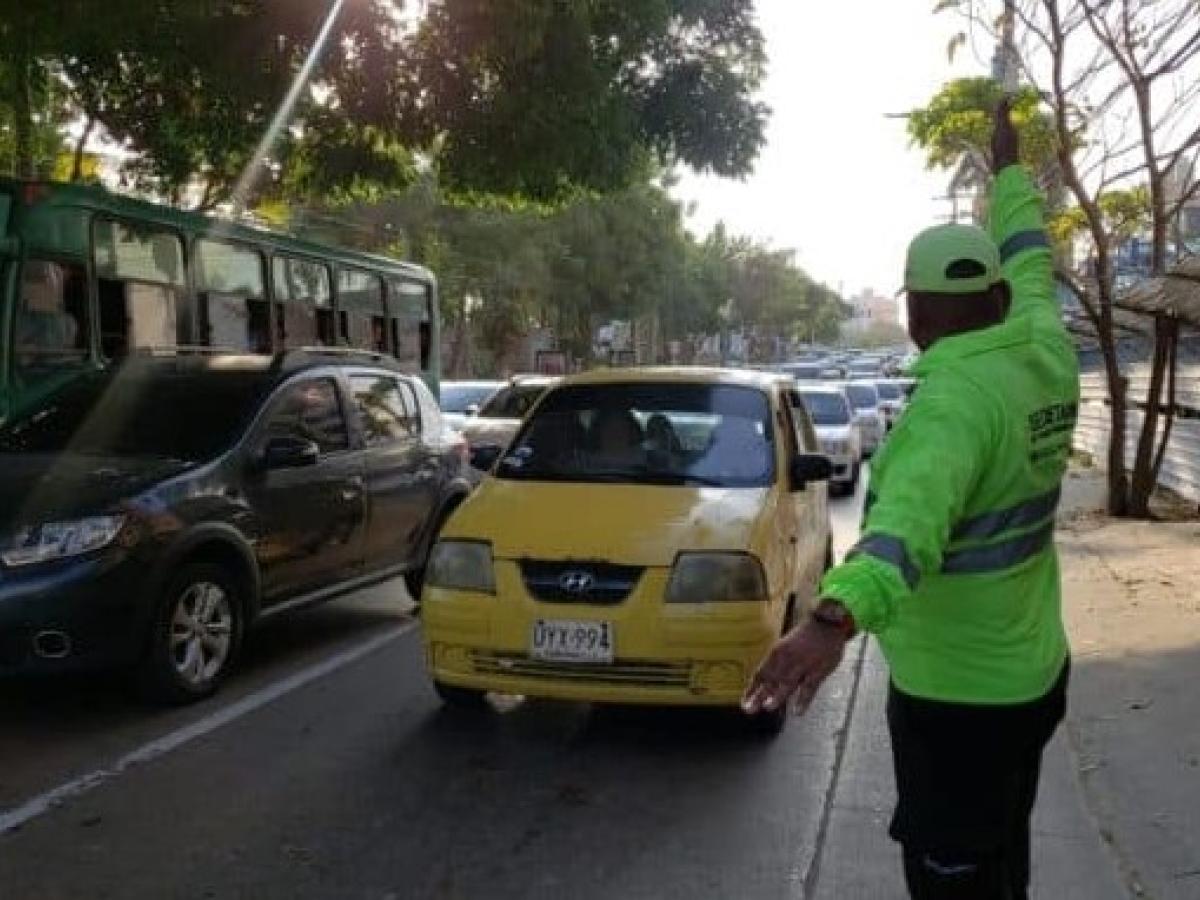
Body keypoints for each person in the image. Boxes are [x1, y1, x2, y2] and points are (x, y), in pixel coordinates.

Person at [743, 100, 1079, 900]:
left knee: (952, 871)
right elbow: (1033, 253)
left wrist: (829, 621)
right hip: (1032, 677)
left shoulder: (951, 405)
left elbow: (900, 536)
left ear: (918, 314)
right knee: (1005, 845)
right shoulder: (1041, 339)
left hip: (956, 700)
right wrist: (1009, 171)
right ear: (995, 295)